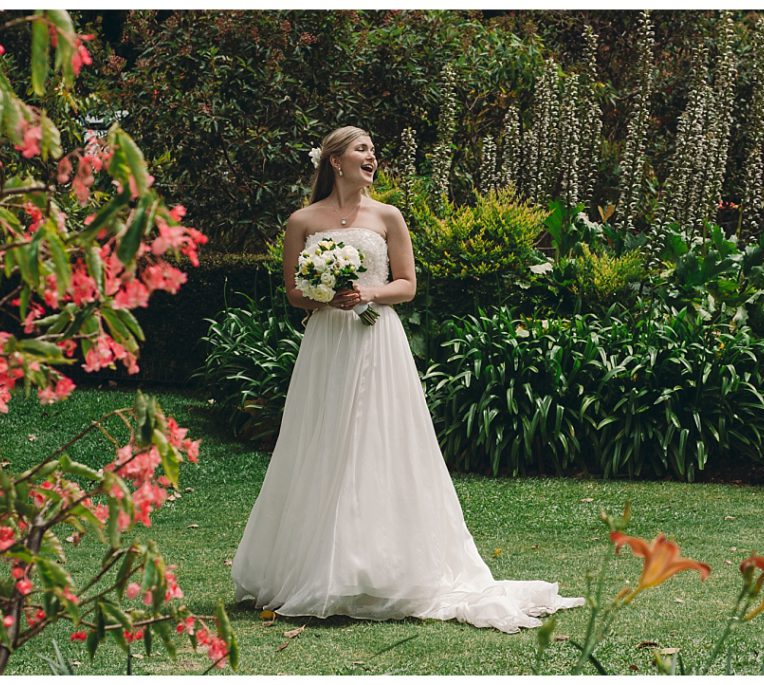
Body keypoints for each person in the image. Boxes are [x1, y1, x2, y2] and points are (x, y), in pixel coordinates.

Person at [231, 126, 583, 633]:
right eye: (361, 149)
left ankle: (382, 567)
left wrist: (368, 295)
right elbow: (293, 292)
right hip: (327, 343)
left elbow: (408, 285)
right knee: (325, 441)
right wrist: (327, 297)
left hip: (376, 342)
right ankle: (312, 566)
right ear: (334, 160)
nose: (371, 157)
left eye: (374, 149)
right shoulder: (302, 221)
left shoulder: (387, 216)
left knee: (378, 442)